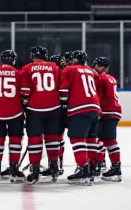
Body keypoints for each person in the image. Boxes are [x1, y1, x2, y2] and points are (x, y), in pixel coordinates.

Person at [21, 46, 62, 184]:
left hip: (35, 109)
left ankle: (35, 170)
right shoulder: (55, 68)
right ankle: (54, 167)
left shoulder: (27, 68)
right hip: (54, 108)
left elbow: (25, 91)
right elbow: (60, 88)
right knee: (52, 139)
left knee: (35, 141)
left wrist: (24, 104)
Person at [59, 50, 100, 185]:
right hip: (95, 107)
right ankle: (93, 168)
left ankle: (83, 169)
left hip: (80, 107)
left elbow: (64, 92)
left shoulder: (69, 69)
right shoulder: (91, 71)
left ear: (75, 60)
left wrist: (63, 105)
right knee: (90, 139)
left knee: (77, 138)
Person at [0, 50, 25, 183]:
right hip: (15, 111)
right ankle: (14, 169)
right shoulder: (19, 73)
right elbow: (24, 93)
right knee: (15, 140)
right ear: (13, 60)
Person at [92, 56, 122, 182]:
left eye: (96, 66)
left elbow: (98, 96)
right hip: (113, 112)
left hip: (107, 112)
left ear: (101, 67)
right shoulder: (112, 78)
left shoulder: (101, 78)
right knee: (104, 140)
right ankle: (102, 164)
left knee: (108, 141)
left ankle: (114, 168)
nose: (94, 69)